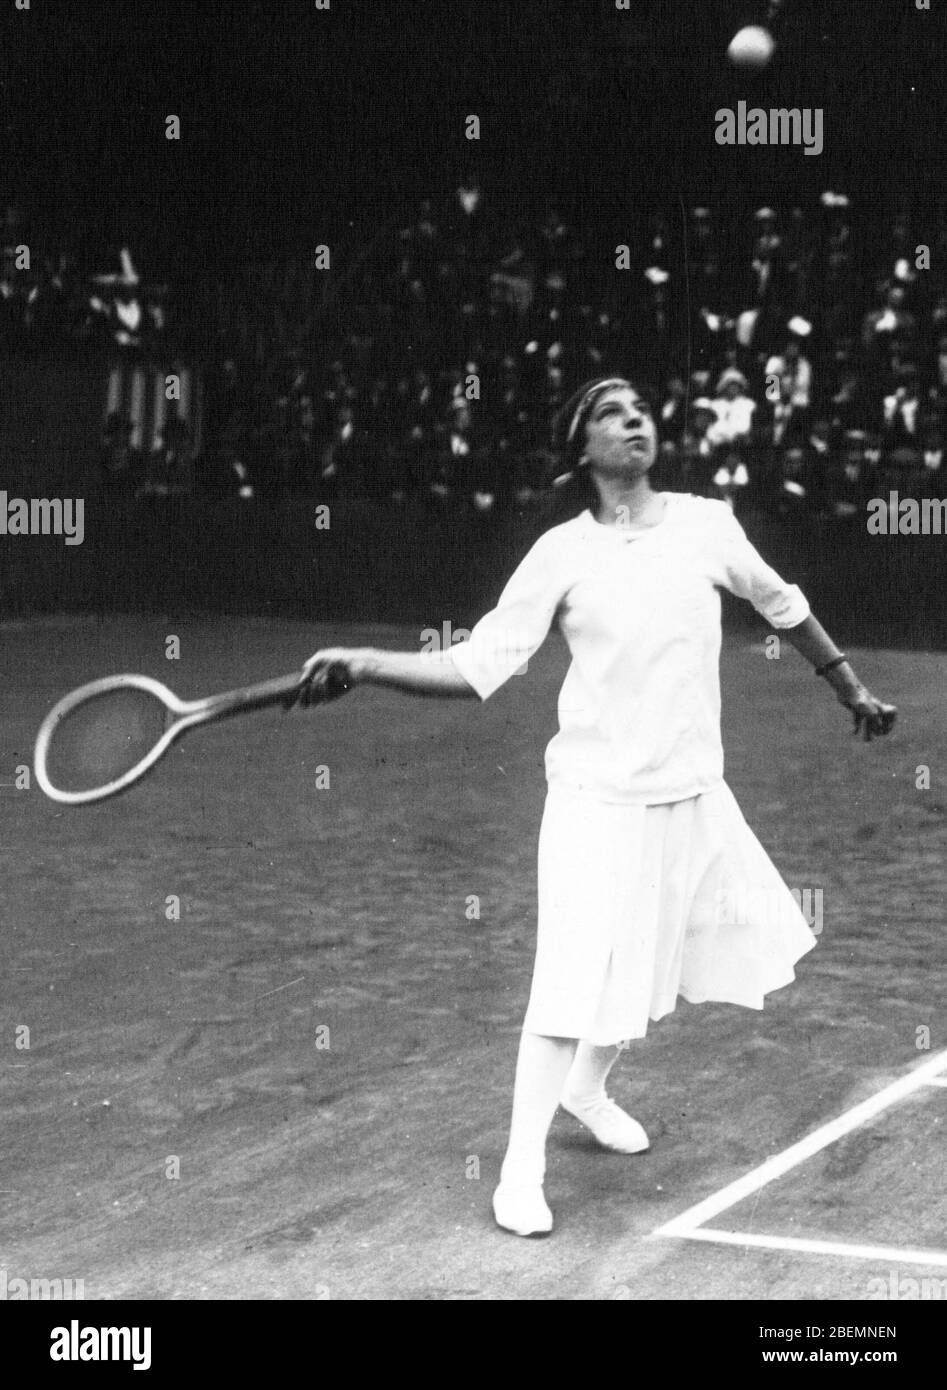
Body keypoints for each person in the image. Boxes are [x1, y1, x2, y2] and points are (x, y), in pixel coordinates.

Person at [292, 376, 897, 1238]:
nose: (635, 421)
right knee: (571, 984)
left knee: (650, 968)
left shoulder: (704, 525)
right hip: (591, 802)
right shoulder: (558, 553)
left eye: (642, 409)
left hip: (688, 796)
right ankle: (519, 1171)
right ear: (582, 446)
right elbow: (476, 667)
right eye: (612, 414)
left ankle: (587, 1089)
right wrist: (363, 660)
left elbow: (781, 604)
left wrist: (850, 688)